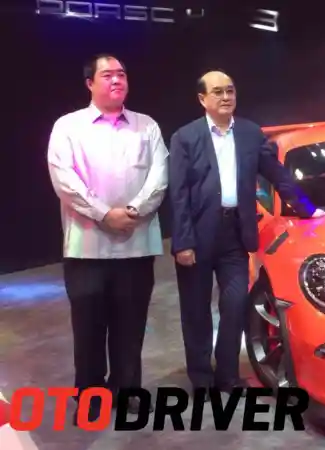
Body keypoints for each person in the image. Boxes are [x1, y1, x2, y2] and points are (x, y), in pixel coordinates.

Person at [168, 70, 325, 399]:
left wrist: (309, 209)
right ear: (202, 99)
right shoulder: (185, 137)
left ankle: (227, 375)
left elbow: (277, 175)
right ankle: (201, 378)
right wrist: (182, 242)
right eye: (217, 92)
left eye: (230, 90)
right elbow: (178, 193)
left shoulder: (250, 133)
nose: (226, 97)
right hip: (197, 235)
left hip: (235, 234)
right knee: (196, 311)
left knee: (236, 304)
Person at [46, 54, 168, 421]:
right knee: (88, 328)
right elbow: (64, 179)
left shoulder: (147, 126)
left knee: (131, 326)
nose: (116, 80)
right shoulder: (68, 127)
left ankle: (127, 389)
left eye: (122, 74)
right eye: (107, 75)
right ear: (90, 83)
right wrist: (103, 214)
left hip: (136, 245)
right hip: (86, 248)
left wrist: (131, 212)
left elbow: (159, 177)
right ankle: (90, 395)